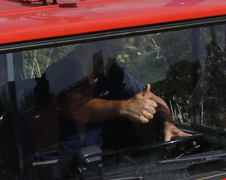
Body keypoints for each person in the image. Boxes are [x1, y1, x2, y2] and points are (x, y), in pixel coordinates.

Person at [46, 44, 186, 155]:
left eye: (116, 50)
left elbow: (149, 96)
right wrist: (124, 107)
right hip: (60, 165)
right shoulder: (60, 71)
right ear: (85, 45)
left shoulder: (111, 72)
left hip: (102, 160)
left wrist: (168, 123)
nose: (110, 55)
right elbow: (73, 106)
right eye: (104, 47)